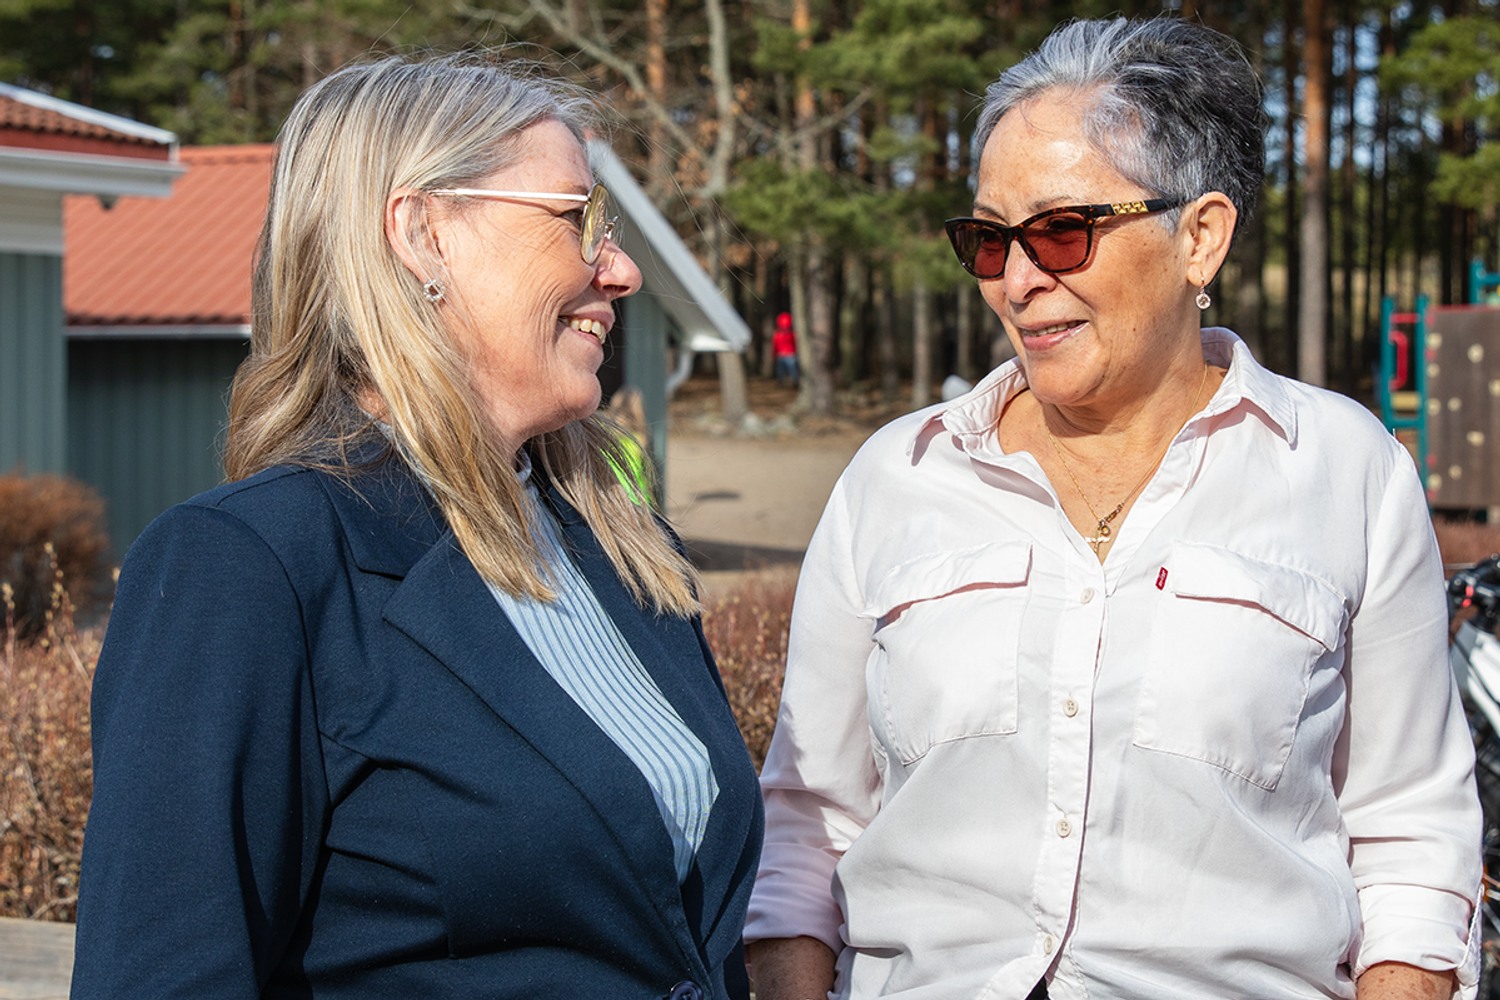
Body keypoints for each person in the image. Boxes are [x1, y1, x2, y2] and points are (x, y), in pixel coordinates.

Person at [745, 17, 1479, 1000]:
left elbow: (1410, 836)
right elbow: (807, 825)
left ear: (1200, 238)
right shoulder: (893, 478)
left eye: (1061, 230)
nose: (1016, 277)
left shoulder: (1349, 474)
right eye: (988, 239)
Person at [71, 52, 762, 1000]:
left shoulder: (624, 547)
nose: (624, 268)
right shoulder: (249, 567)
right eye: (579, 220)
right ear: (422, 233)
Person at [773, 311, 800, 388]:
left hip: (787, 355)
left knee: (790, 371)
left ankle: (793, 382)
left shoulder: (778, 335)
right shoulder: (779, 334)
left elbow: (774, 347)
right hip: (785, 355)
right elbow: (775, 346)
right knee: (785, 371)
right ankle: (786, 382)